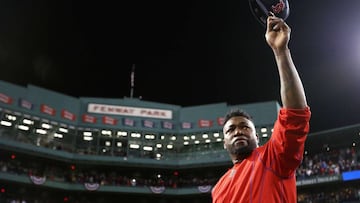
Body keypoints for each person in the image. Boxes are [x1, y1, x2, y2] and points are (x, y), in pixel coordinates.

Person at [211, 14, 311, 203]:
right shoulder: (218, 189)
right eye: (230, 129)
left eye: (245, 127)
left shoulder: (273, 157)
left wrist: (281, 52)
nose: (238, 131)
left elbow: (295, 115)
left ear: (257, 137)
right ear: (224, 142)